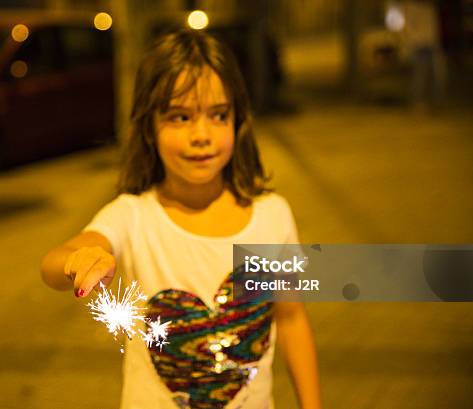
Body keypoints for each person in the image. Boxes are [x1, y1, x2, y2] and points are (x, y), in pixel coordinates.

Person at [41, 29, 321, 409]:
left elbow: (290, 318)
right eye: (180, 116)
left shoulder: (273, 215)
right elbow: (58, 262)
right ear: (149, 127)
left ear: (238, 121)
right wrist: (79, 261)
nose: (201, 134)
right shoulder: (134, 216)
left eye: (218, 115)